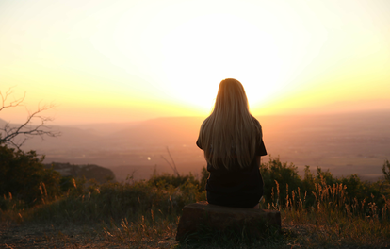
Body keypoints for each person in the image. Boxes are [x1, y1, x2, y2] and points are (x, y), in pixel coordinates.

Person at [196, 78, 267, 208]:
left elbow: (208, 156)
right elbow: (257, 165)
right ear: (242, 97)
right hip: (248, 195)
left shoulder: (207, 126)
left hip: (216, 195)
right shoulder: (253, 126)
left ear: (219, 97)